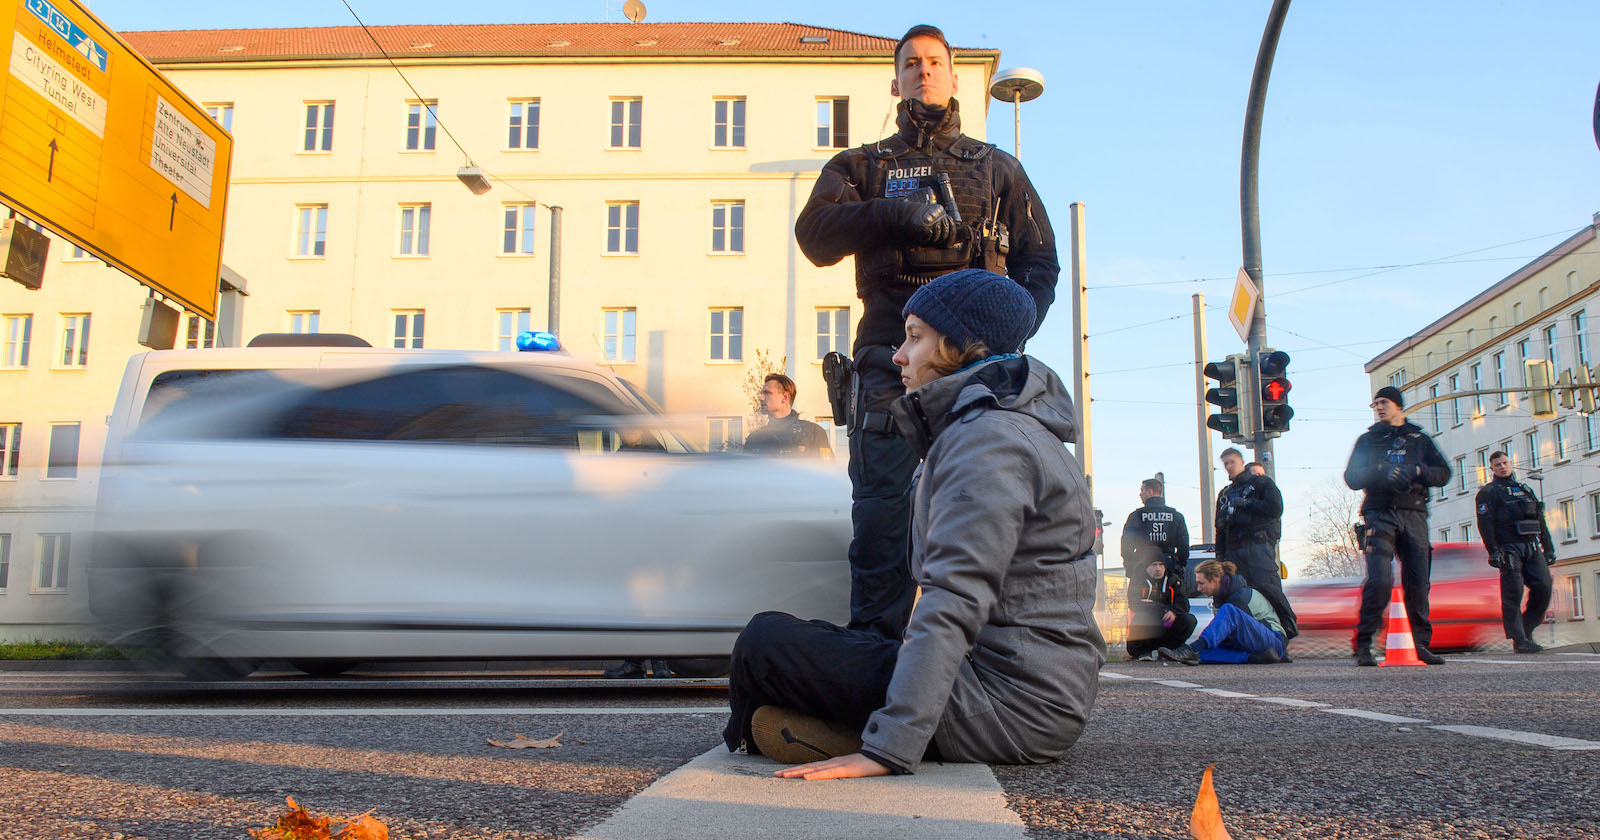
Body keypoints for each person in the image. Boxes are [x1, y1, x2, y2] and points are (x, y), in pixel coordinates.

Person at [721, 269, 1101, 780]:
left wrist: (890, 747)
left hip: (1009, 705)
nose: (898, 354)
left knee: (764, 643)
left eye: (916, 338)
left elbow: (955, 596)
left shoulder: (988, 441)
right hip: (1018, 687)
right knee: (803, 637)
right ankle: (804, 729)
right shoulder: (996, 426)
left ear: (962, 347)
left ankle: (814, 734)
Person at [795, 24, 1059, 640]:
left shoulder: (998, 170)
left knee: (986, 516)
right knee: (884, 527)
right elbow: (814, 236)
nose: (923, 71)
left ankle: (990, 675)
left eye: (934, 62)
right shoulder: (861, 166)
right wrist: (895, 214)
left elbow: (1038, 266)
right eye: (911, 63)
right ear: (896, 79)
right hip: (890, 365)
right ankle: (874, 679)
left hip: (977, 373)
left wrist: (1004, 339)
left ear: (953, 75)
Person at [1342, 386, 1452, 666]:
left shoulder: (1419, 439)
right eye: (1375, 403)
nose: (1379, 407)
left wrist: (1417, 471)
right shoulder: (1368, 440)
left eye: (1384, 402)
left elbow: (1443, 473)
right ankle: (1364, 644)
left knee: (1418, 580)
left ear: (1398, 406)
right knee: (1379, 580)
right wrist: (1380, 471)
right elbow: (1352, 478)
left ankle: (1420, 644)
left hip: (1413, 513)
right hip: (1379, 513)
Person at [1474, 450, 1555, 654]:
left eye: (1505, 463)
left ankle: (1527, 628)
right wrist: (1493, 551)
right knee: (1513, 594)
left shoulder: (1525, 489)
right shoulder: (1488, 493)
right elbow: (1484, 524)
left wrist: (1549, 547)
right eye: (1498, 464)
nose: (1503, 467)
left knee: (1544, 586)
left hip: (1532, 546)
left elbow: (1540, 520)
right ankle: (1518, 639)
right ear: (1491, 469)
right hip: (1508, 548)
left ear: (1511, 464)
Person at [1214, 449, 1295, 638]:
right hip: (1234, 553)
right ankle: (1247, 638)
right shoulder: (1225, 494)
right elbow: (1220, 527)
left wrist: (1248, 503)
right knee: (1237, 597)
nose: (1228, 467)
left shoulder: (1261, 484)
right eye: (1225, 463)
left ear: (1242, 462)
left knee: (1269, 591)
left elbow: (1276, 509)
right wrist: (1220, 557)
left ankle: (1283, 635)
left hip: (1257, 549)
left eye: (1231, 462)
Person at [1155, 560, 1287, 665]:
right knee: (1202, 655)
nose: (1199, 589)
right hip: (1260, 646)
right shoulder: (1222, 597)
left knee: (1228, 612)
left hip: (1273, 641)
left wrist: (1202, 644)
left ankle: (1192, 649)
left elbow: (1237, 638)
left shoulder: (1240, 597)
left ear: (1215, 580)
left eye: (1202, 584)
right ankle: (1257, 658)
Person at [743, 374, 833, 459]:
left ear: (785, 397)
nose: (761, 398)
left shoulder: (813, 433)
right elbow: (745, 473)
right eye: (761, 394)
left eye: (767, 393)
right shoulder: (755, 439)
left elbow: (828, 471)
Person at [1124, 556, 1195, 662]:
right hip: (1145, 631)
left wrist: (1173, 611)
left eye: (1161, 565)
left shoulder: (1174, 580)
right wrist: (1163, 610)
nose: (1158, 569)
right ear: (1146, 567)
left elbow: (1184, 605)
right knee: (1142, 616)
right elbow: (1135, 604)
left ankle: (1170, 650)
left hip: (1167, 625)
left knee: (1189, 619)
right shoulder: (1137, 580)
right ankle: (1143, 651)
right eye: (1153, 565)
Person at [1120, 478, 1190, 579]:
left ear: (1150, 492)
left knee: (1139, 595)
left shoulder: (1136, 516)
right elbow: (1184, 545)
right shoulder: (1176, 516)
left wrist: (1131, 567)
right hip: (1168, 567)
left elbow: (1126, 545)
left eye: (1142, 490)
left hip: (1142, 567)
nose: (1140, 494)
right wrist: (1178, 566)